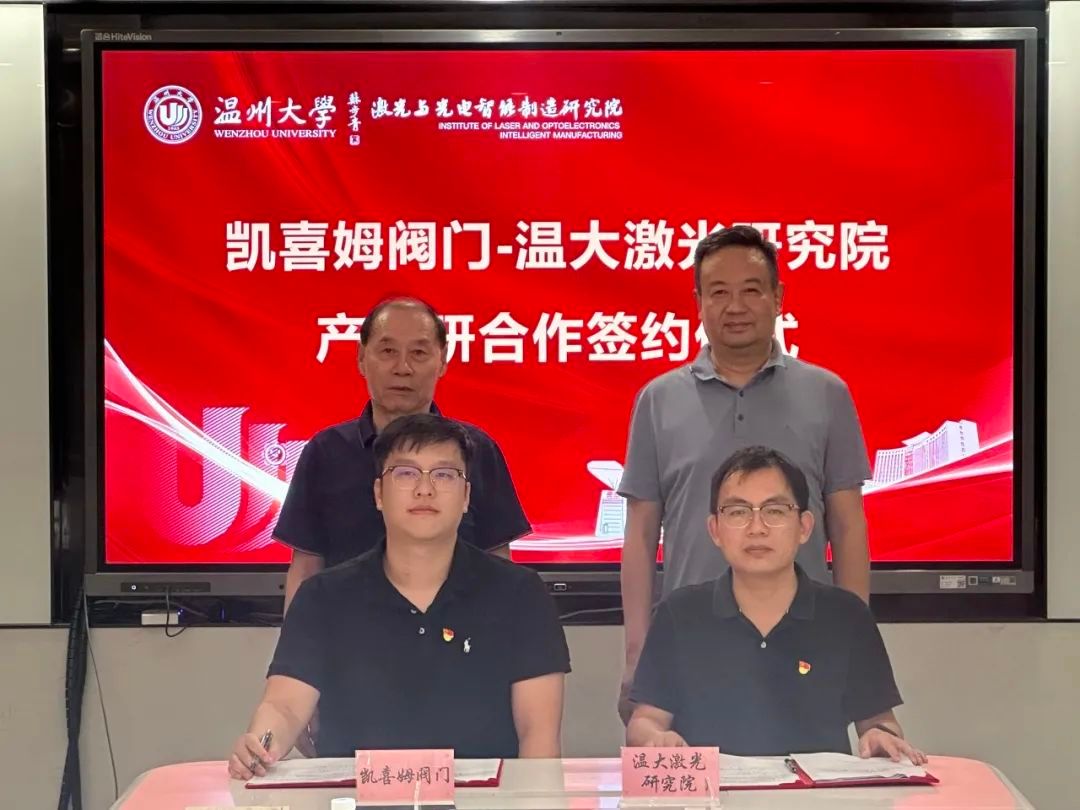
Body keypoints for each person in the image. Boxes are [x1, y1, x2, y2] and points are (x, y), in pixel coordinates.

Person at [619, 225, 871, 721]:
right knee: (683, 768)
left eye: (751, 290)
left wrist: (855, 643)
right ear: (698, 303)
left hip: (804, 641)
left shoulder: (827, 394)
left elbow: (847, 526)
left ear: (778, 298)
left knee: (810, 769)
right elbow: (641, 535)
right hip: (690, 643)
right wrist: (636, 654)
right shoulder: (658, 399)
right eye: (718, 292)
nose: (735, 306)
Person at [229, 414, 569, 779]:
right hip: (353, 797)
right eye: (406, 473)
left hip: (484, 800)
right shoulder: (323, 597)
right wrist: (261, 743)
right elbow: (284, 705)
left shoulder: (519, 594)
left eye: (444, 475)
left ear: (467, 496)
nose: (425, 489)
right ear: (379, 493)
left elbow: (538, 737)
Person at [627, 446, 924, 765]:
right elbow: (645, 720)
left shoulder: (846, 615)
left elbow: (879, 720)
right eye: (738, 512)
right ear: (715, 530)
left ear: (804, 527)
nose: (757, 528)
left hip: (819, 792)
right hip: (712, 790)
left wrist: (881, 736)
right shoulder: (680, 613)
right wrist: (655, 739)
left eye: (775, 511)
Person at [276, 296, 530, 611]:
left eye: (419, 353)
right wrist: (294, 641)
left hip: (457, 636)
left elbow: (499, 568)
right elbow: (306, 570)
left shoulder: (476, 450)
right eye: (388, 351)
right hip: (348, 636)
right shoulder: (326, 452)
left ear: (442, 361)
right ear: (361, 358)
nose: (402, 368)